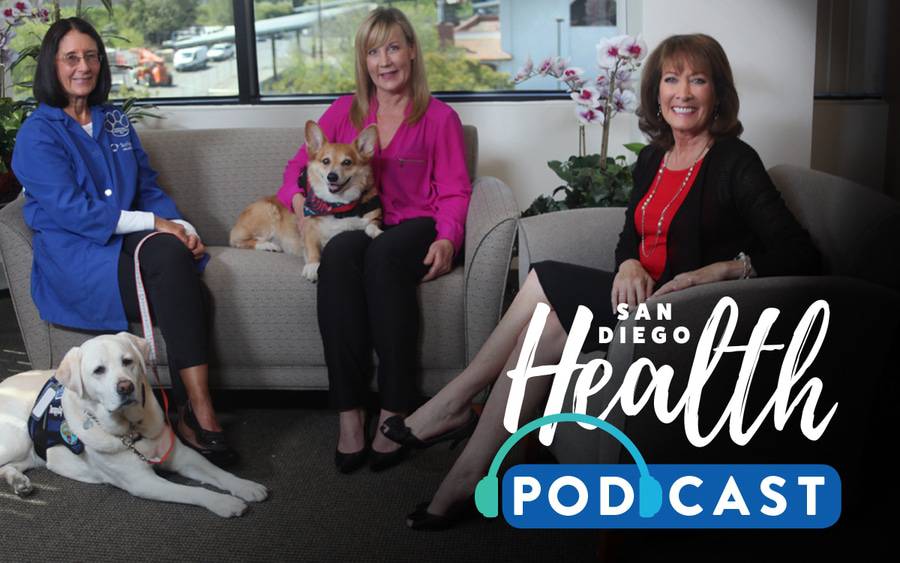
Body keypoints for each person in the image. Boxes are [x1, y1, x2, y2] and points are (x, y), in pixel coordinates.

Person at [379, 33, 821, 529]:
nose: (683, 92)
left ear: (718, 93)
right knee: (540, 331)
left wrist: (721, 269)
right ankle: (467, 475)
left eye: (698, 80)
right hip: (636, 304)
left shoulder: (735, 162)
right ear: (656, 93)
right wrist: (630, 263)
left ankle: (457, 400)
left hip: (685, 318)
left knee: (545, 278)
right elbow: (628, 239)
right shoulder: (653, 159)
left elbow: (801, 252)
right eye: (672, 79)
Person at [11, 18, 237, 467]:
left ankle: (198, 409)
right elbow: (71, 210)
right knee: (171, 265)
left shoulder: (114, 120)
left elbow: (147, 186)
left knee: (172, 255)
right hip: (78, 258)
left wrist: (179, 223)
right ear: (52, 67)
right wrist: (154, 221)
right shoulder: (38, 133)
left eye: (91, 56)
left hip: (128, 244)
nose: (84, 66)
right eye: (71, 58)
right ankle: (200, 414)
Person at [276, 7, 471, 473]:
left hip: (413, 224)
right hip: (356, 220)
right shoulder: (346, 111)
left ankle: (394, 408)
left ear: (412, 52)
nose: (384, 61)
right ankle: (349, 412)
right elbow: (295, 170)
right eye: (373, 51)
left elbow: (456, 190)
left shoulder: (439, 118)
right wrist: (299, 201)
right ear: (363, 61)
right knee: (339, 255)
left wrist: (448, 238)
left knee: (383, 256)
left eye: (393, 47)